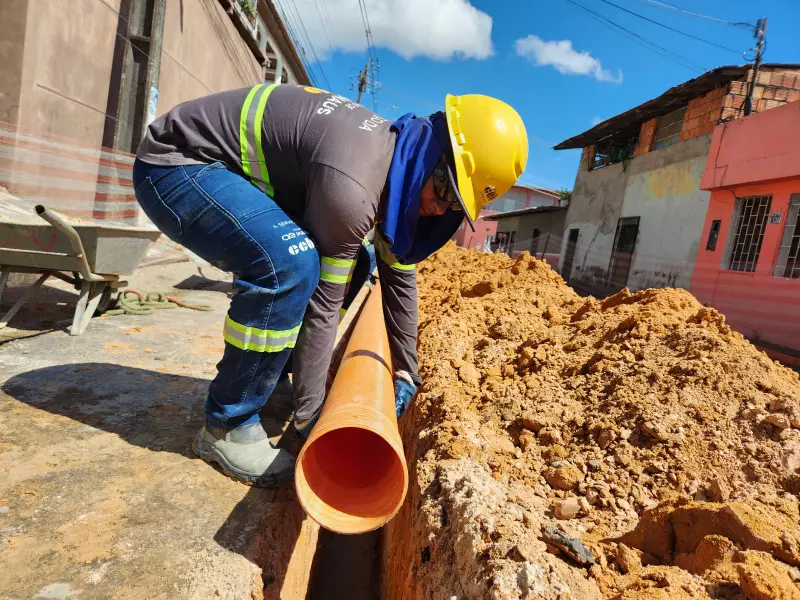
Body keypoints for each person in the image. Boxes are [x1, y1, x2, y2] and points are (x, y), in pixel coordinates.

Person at [132, 84, 527, 487]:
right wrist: (312, 418)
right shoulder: (354, 188)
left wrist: (408, 372)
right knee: (291, 264)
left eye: (454, 205)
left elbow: (400, 275)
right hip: (178, 165)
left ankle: (273, 380)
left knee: (359, 264)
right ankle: (226, 423)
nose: (439, 208)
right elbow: (325, 304)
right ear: (431, 154)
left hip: (222, 173)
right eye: (444, 189)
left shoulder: (396, 165)